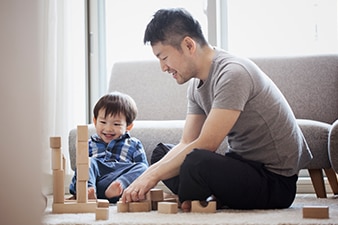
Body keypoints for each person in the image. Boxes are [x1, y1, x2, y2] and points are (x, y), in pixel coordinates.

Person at [121, 8, 313, 211]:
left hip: (274, 182)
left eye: (164, 57)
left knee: (196, 161)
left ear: (188, 45)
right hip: (242, 166)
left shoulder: (233, 73)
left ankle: (197, 195)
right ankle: (201, 195)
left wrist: (152, 176)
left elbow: (207, 144)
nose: (163, 67)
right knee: (162, 153)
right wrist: (148, 174)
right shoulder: (195, 86)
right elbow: (187, 141)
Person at [69, 91, 148, 203]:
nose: (109, 128)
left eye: (116, 124)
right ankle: (87, 190)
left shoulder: (134, 144)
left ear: (128, 126)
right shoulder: (89, 144)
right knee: (86, 162)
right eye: (103, 122)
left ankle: (119, 186)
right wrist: (76, 188)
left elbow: (143, 173)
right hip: (96, 182)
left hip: (118, 183)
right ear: (95, 121)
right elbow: (81, 170)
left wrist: (123, 182)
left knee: (143, 167)